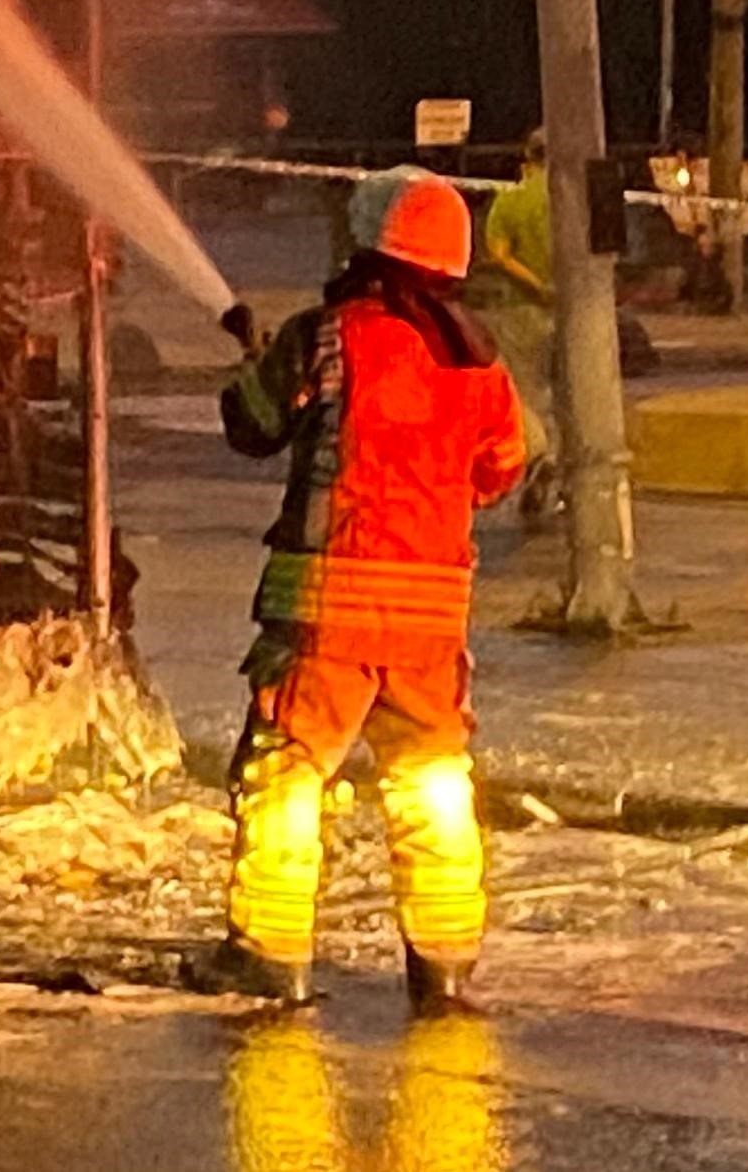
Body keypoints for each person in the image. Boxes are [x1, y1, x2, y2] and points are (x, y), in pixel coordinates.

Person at [193, 166, 528, 1016]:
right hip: (430, 625)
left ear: (367, 248)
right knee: (432, 782)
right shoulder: (479, 362)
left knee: (286, 775)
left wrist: (262, 359)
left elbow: (252, 426)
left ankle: (269, 955)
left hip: (329, 615)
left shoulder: (325, 337)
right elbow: (503, 468)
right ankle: (445, 964)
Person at [471, 131, 563, 524]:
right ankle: (570, 469)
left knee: (525, 392)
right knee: (571, 395)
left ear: (527, 157)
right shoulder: (571, 197)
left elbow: (499, 253)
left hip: (521, 307)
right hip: (576, 310)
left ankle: (540, 455)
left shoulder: (510, 198)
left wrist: (535, 284)